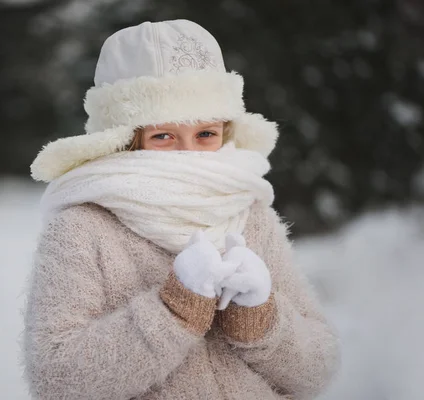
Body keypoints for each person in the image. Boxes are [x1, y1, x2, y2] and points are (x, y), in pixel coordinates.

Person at [22, 19, 339, 400]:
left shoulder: (249, 212)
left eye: (205, 134)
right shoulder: (82, 228)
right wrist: (172, 310)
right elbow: (56, 379)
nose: (189, 153)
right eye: (164, 136)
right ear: (127, 141)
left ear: (225, 131)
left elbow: (318, 371)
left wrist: (263, 319)